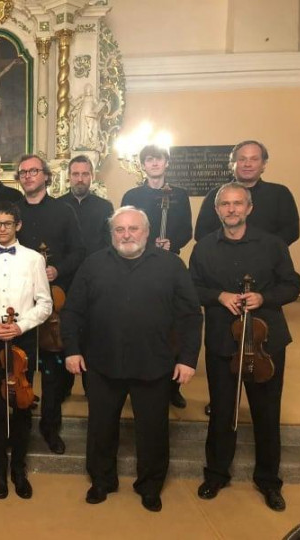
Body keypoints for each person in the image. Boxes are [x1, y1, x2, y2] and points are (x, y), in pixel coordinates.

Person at [62, 206, 202, 512]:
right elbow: (72, 311)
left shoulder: (171, 265)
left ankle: (150, 486)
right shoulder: (93, 264)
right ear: (112, 234)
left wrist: (188, 359)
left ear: (147, 232)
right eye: (120, 229)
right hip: (102, 363)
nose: (126, 235)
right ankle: (102, 480)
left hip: (154, 363)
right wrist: (72, 349)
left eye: (133, 228)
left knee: (153, 431)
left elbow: (190, 316)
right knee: (101, 428)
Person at [189, 182, 300, 512]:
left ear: (249, 208)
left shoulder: (272, 244)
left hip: (266, 342)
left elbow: (292, 284)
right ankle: (216, 474)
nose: (232, 209)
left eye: (238, 203)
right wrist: (218, 296)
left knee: (267, 412)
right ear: (217, 210)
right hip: (223, 341)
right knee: (222, 412)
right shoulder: (204, 248)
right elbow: (191, 287)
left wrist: (264, 297)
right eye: (225, 204)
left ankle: (268, 480)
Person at [0, 201, 52, 500]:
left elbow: (45, 303)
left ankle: (19, 468)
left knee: (21, 403)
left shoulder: (34, 259)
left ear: (18, 225)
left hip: (23, 338)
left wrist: (21, 326)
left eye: (7, 223)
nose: (2, 228)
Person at [14, 154, 86, 454]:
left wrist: (58, 269)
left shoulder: (63, 211)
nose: (28, 176)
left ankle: (50, 426)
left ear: (46, 176)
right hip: (18, 299)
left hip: (54, 299)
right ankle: (20, 425)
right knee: (20, 364)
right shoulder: (13, 211)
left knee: (53, 370)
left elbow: (78, 251)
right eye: (23, 172)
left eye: (34, 171)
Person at [122, 144, 192, 409]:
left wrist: (172, 242)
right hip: (137, 264)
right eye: (149, 159)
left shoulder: (179, 195)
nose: (154, 163)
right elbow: (124, 229)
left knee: (171, 326)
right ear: (142, 165)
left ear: (166, 163)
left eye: (158, 159)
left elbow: (187, 229)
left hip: (168, 263)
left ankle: (172, 387)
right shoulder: (132, 195)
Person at [194, 140, 299, 246]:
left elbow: (291, 231)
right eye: (242, 159)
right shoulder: (215, 194)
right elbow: (201, 234)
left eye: (254, 159)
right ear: (232, 164)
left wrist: (264, 250)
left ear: (263, 164)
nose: (247, 164)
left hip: (268, 255)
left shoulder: (280, 194)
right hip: (222, 255)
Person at [59, 155, 114, 256]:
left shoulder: (105, 207)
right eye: (75, 174)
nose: (80, 179)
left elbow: (110, 244)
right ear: (69, 176)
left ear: (92, 176)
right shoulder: (57, 205)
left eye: (85, 174)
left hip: (97, 264)